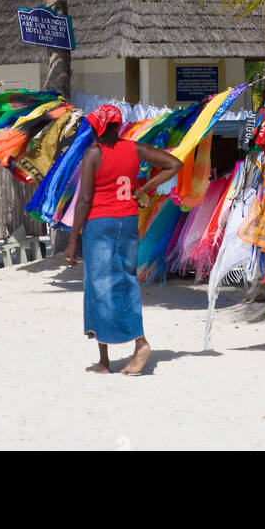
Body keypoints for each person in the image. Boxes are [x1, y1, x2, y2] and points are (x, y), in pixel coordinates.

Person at [65, 104, 182, 375]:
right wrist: (144, 189)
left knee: (97, 286)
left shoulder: (93, 153)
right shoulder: (135, 149)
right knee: (125, 280)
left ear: (97, 127)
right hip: (128, 222)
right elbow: (174, 164)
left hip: (100, 225)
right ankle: (121, 352)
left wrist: (72, 240)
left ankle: (121, 353)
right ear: (118, 126)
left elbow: (84, 199)